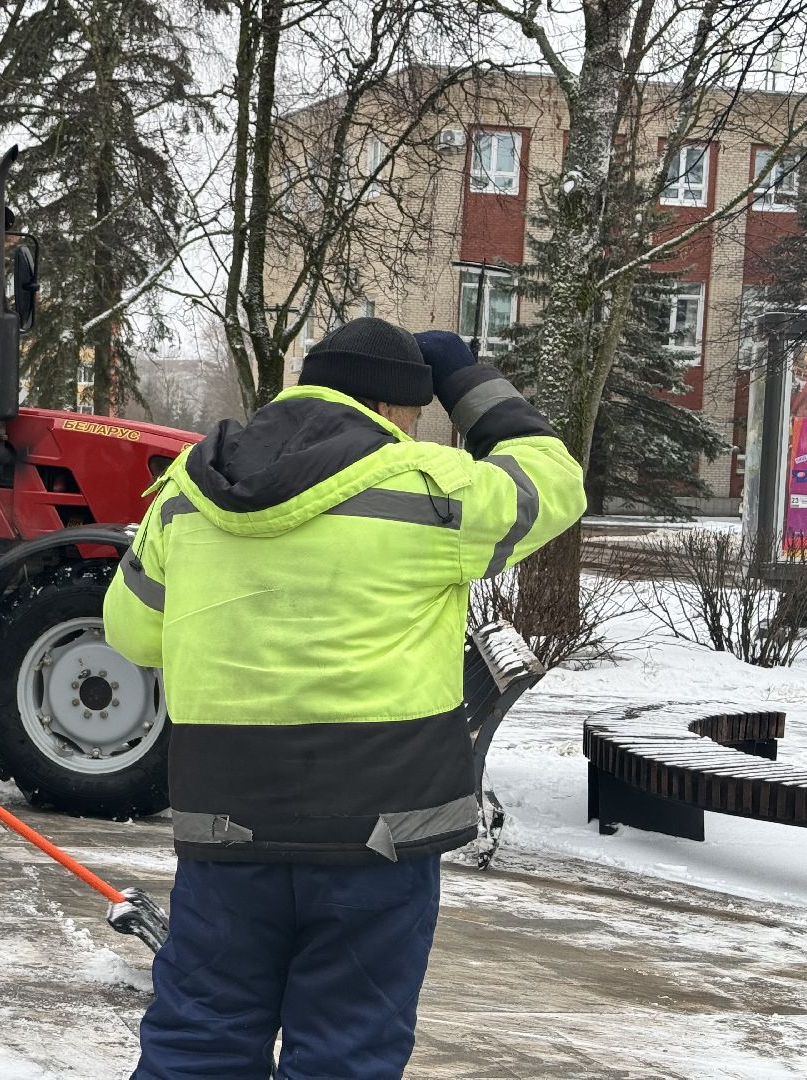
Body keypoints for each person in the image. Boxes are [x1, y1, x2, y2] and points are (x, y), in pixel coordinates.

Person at [103, 318, 586, 1079]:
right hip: (380, 836)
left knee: (199, 1041)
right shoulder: (433, 490)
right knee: (346, 1052)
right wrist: (464, 380)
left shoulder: (188, 493)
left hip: (225, 831)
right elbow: (555, 478)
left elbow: (130, 633)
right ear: (397, 408)